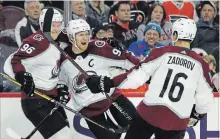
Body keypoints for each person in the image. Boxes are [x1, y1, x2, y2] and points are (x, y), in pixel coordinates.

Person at [86, 18, 214, 139]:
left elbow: (135, 77)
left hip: (149, 114)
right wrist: (197, 114)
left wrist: (109, 82)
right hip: (177, 121)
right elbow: (205, 98)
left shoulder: (161, 52)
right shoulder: (200, 63)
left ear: (175, 34)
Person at [57, 19, 140, 139]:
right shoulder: (63, 60)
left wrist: (145, 68)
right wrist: (61, 91)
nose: (85, 37)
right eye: (81, 35)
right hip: (91, 111)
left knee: (139, 128)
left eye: (86, 34)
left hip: (113, 99)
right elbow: (60, 82)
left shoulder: (98, 47)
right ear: (71, 37)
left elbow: (126, 60)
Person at [3, 8, 74, 139]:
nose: (57, 28)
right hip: (35, 101)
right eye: (53, 25)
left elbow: (51, 71)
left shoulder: (57, 41)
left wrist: (61, 88)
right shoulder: (37, 40)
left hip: (51, 100)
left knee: (67, 135)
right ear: (43, 25)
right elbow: (16, 59)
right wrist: (22, 76)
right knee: (64, 137)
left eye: (59, 24)